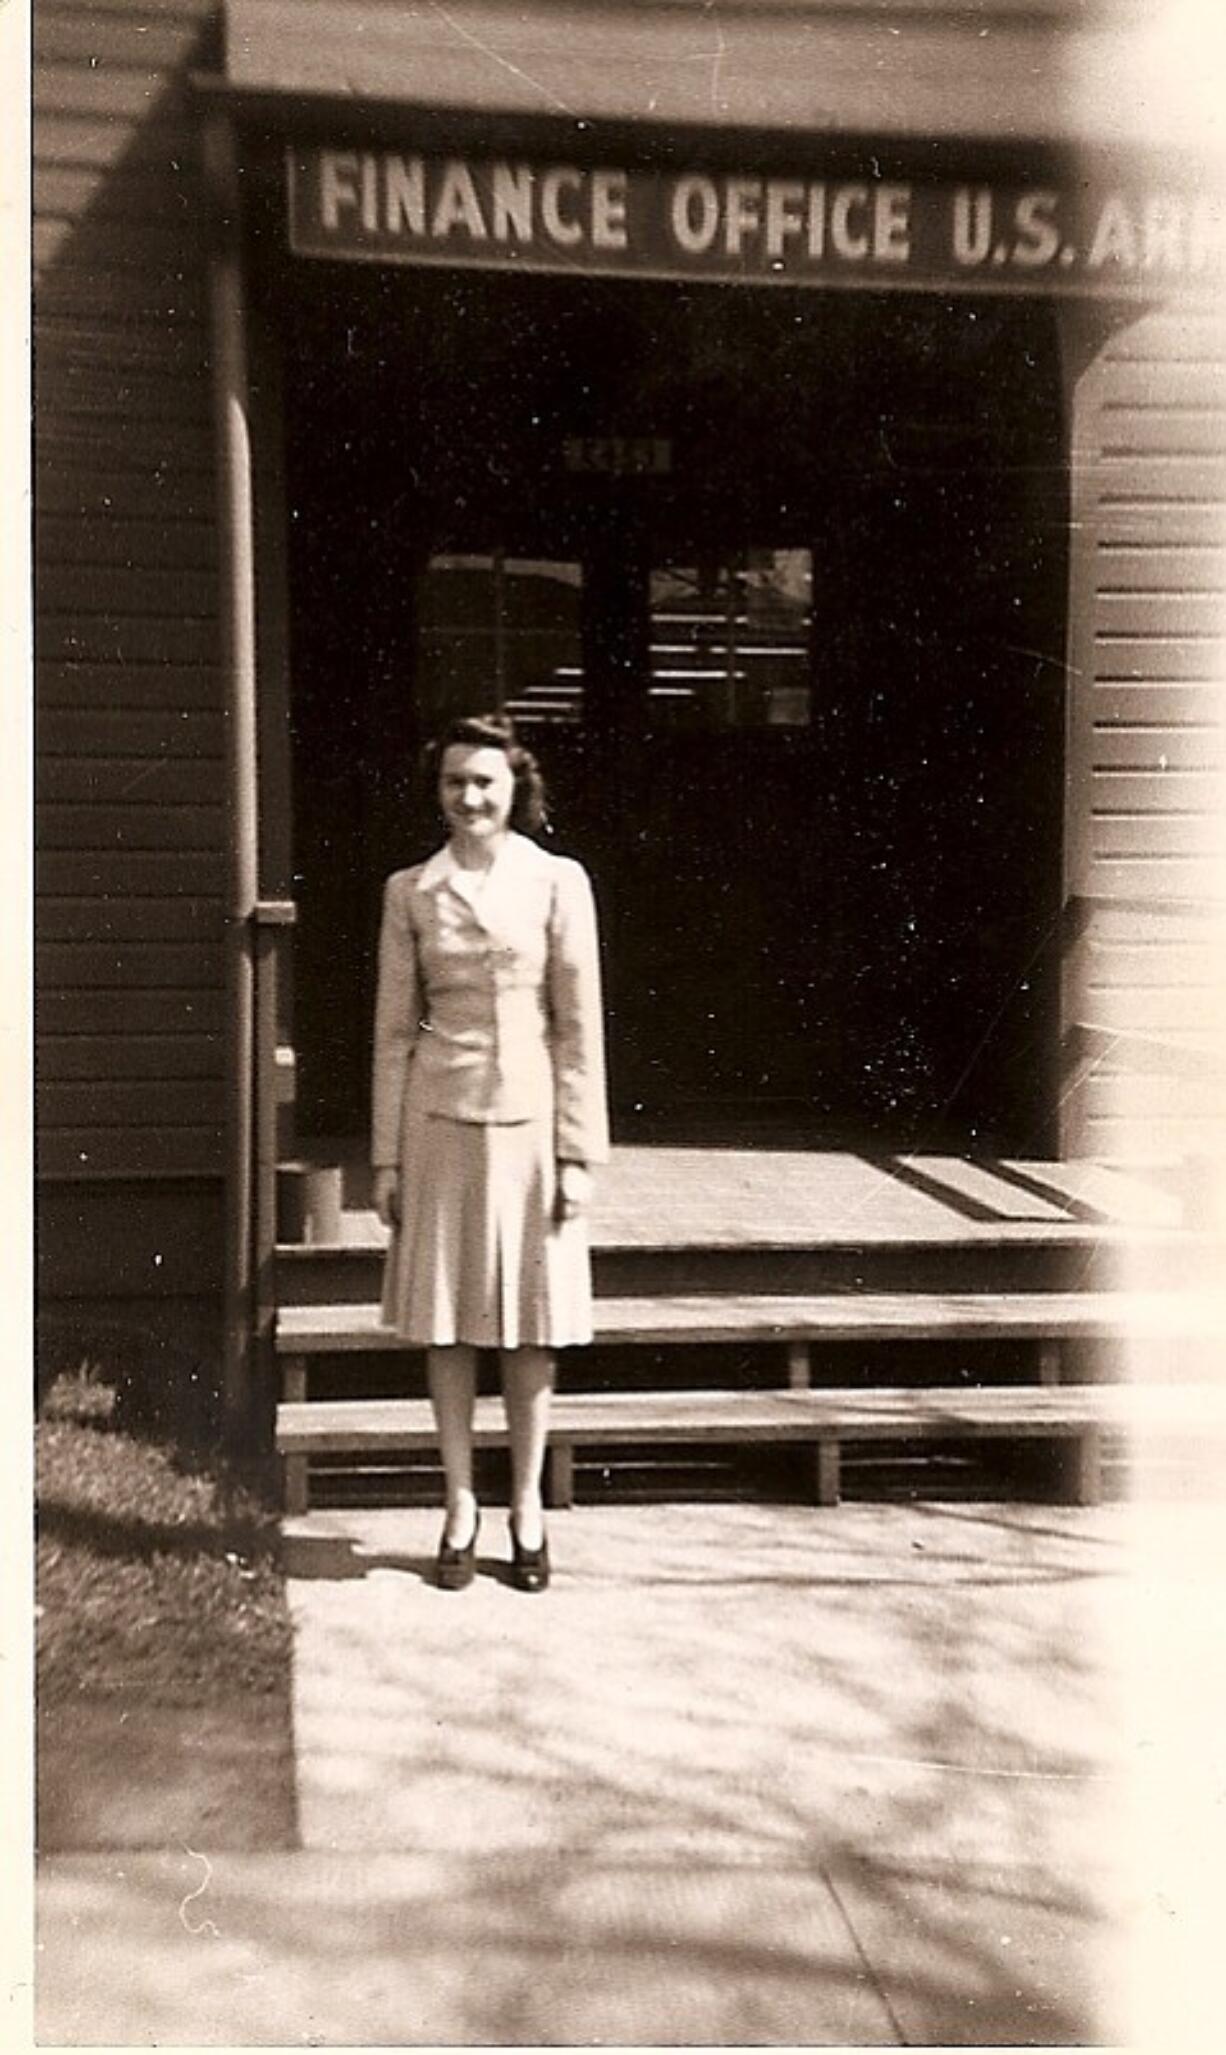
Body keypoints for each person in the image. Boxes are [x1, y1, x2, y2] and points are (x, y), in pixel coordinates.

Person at [371, 712, 608, 1591]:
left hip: (533, 1128)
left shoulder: (557, 883)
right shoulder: (411, 891)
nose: (468, 797)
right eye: (453, 782)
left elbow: (579, 1029)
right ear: (437, 792)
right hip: (437, 1123)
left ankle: (527, 1509)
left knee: (530, 1325)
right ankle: (461, 1505)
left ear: (516, 791)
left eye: (485, 783)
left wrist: (581, 1153)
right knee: (447, 1319)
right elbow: (393, 1032)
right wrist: (387, 1160)